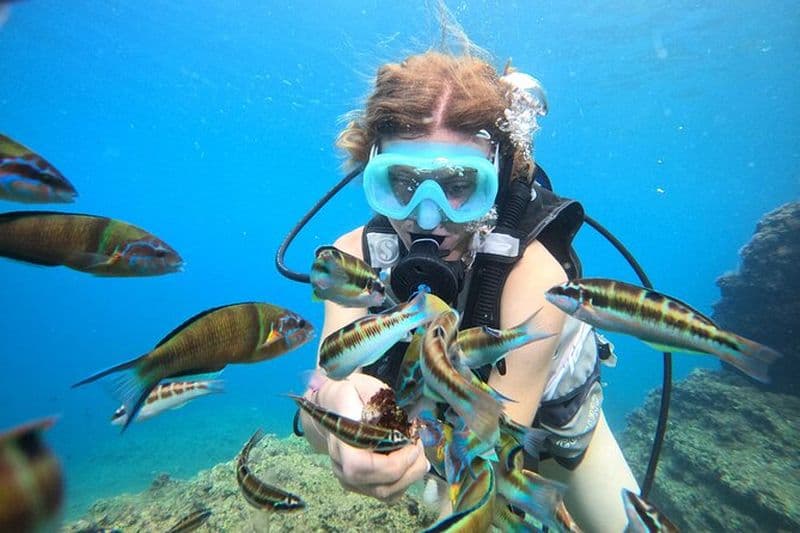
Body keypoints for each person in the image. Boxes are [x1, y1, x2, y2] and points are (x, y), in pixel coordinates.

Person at [299, 50, 640, 531]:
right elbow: (320, 407)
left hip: (551, 428)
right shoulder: (350, 260)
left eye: (460, 184)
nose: (428, 217)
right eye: (402, 182)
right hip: (448, 430)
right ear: (372, 173)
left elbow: (494, 457)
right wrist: (335, 412)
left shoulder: (535, 273)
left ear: (497, 181)